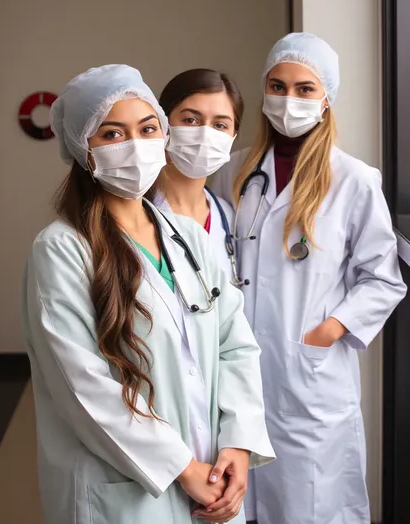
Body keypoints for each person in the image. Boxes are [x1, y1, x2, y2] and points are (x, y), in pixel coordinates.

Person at [22, 64, 275, 524]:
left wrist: (238, 442)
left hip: (213, 478)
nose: (135, 145)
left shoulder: (189, 238)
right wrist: (182, 468)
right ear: (84, 148)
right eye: (113, 134)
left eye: (147, 128)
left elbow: (235, 345)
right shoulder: (61, 249)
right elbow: (84, 388)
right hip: (128, 493)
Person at [213, 33, 407, 524]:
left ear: (326, 98)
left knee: (310, 506)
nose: (288, 99)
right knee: (236, 504)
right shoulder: (232, 173)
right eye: (277, 86)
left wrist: (328, 331)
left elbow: (382, 278)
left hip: (308, 376)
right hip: (236, 371)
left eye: (304, 88)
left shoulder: (354, 180)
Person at [150, 69, 244, 285]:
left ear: (233, 136)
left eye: (220, 125)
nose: (205, 134)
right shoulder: (136, 213)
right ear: (163, 125)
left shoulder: (227, 217)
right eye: (191, 120)